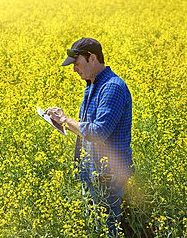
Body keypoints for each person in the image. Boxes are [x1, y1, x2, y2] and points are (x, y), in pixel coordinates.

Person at [45, 37, 134, 238]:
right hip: (93, 171)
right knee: (97, 227)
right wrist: (62, 121)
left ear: (92, 58)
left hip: (108, 175)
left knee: (107, 230)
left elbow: (98, 132)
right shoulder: (92, 84)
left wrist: (66, 119)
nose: (74, 70)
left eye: (77, 64)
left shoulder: (112, 87)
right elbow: (88, 128)